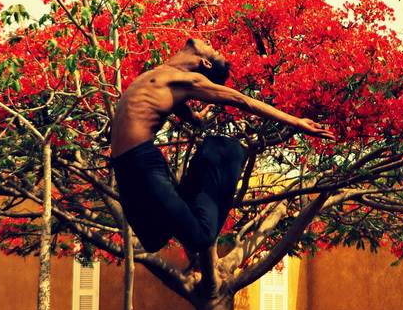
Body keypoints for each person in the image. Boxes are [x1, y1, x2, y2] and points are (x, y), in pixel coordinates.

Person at [110, 38, 333, 266]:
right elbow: (177, 104)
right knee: (152, 240)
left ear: (205, 63)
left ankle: (220, 152)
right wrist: (195, 118)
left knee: (201, 238)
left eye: (213, 50)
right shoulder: (164, 75)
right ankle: (192, 185)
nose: (211, 43)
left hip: (142, 161)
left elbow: (241, 100)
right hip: (123, 165)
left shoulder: (189, 80)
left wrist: (296, 122)